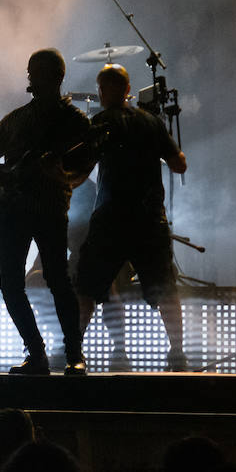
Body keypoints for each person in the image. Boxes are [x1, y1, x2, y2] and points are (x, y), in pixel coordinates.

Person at [0, 48, 90, 375]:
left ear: (55, 77)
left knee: (58, 281)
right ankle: (37, 352)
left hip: (49, 208)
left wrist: (62, 175)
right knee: (11, 286)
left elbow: (84, 166)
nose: (30, 78)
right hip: (11, 210)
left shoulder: (75, 122)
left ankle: (73, 355)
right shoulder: (16, 118)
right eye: (30, 72)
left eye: (36, 72)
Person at [74, 64, 190, 371]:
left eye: (100, 89)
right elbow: (179, 165)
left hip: (110, 217)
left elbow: (80, 172)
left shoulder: (98, 122)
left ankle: (73, 352)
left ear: (102, 91)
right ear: (128, 90)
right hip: (150, 218)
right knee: (165, 286)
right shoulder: (152, 122)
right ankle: (178, 352)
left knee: (87, 286)